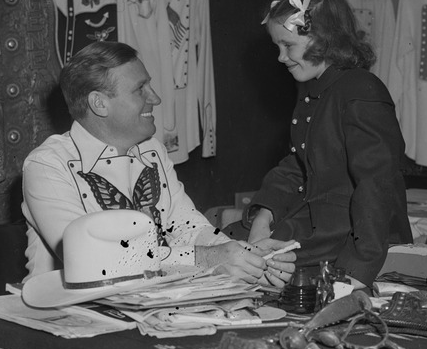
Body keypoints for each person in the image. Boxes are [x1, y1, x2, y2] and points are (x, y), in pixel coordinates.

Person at [21, 41, 296, 287]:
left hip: (147, 307)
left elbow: (187, 226)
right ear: (99, 104)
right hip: (68, 321)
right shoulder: (47, 165)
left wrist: (243, 256)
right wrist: (211, 258)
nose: (155, 98)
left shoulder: (151, 150)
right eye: (140, 89)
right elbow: (90, 258)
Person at [237, 0, 413, 288]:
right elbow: (299, 164)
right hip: (320, 222)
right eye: (277, 46)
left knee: (253, 269)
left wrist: (355, 275)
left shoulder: (360, 90)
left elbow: (376, 188)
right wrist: (264, 216)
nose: (280, 57)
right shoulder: (313, 90)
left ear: (323, 38)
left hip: (352, 236)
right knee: (232, 248)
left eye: (288, 45)